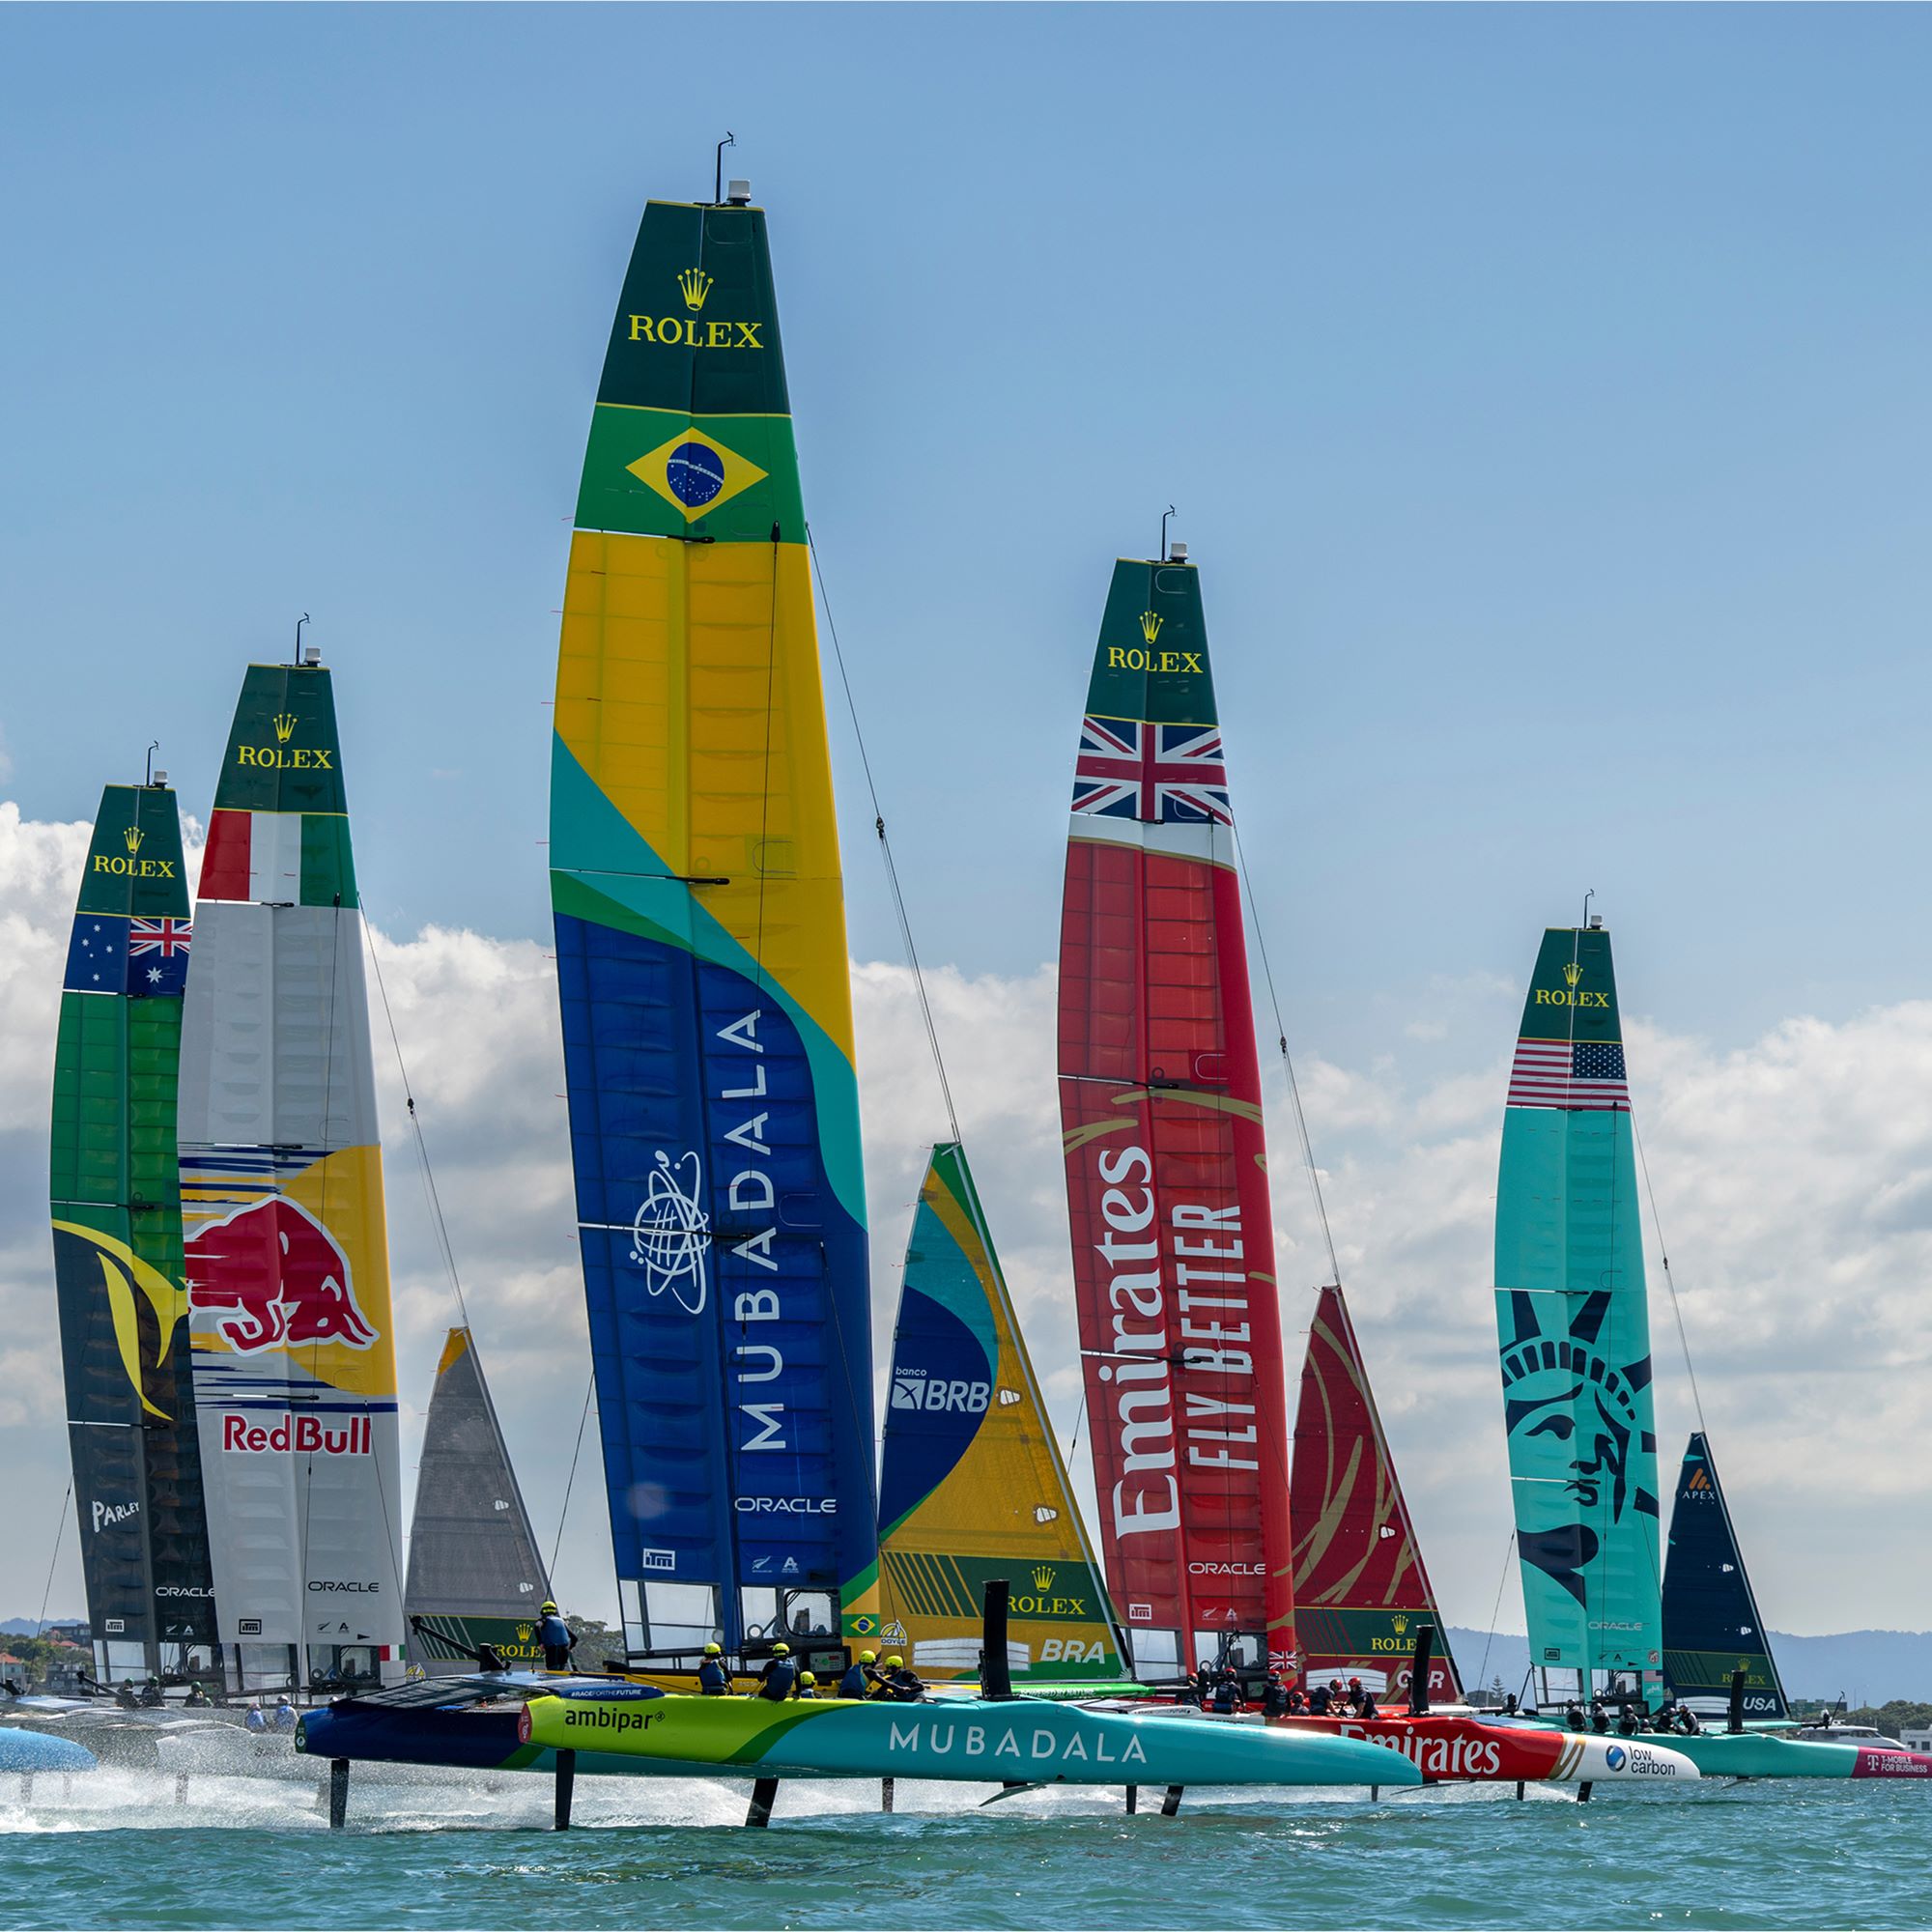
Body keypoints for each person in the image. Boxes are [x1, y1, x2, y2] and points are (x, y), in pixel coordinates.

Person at [536, 1600, 576, 1673]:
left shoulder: (544, 1619)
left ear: (543, 1611)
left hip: (552, 1651)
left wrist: (540, 1643)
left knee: (552, 1673)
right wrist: (569, 1648)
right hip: (564, 1652)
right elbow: (574, 1638)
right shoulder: (561, 1621)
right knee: (559, 1673)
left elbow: (536, 1627)